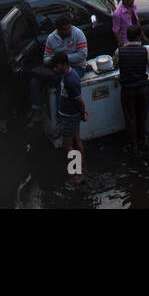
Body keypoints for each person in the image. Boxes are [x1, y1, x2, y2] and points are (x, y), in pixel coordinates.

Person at [28, 16, 89, 123]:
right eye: (64, 30)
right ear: (58, 30)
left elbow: (82, 55)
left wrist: (63, 59)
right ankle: (37, 110)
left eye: (69, 28)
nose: (67, 31)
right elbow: (46, 59)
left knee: (61, 85)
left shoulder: (78, 34)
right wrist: (53, 60)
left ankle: (59, 120)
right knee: (35, 81)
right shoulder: (51, 38)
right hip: (56, 67)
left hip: (76, 66)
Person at [118, 26, 149, 152]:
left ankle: (133, 144)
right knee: (142, 115)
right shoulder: (145, 51)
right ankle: (143, 140)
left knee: (130, 116)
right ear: (138, 37)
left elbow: (114, 64)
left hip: (127, 90)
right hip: (142, 89)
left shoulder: (119, 51)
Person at [50, 52, 87, 181]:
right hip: (71, 115)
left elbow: (79, 101)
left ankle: (77, 173)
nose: (55, 69)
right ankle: (82, 168)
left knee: (67, 145)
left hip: (70, 116)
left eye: (57, 66)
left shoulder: (71, 80)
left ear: (64, 65)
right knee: (77, 140)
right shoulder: (66, 76)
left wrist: (83, 113)